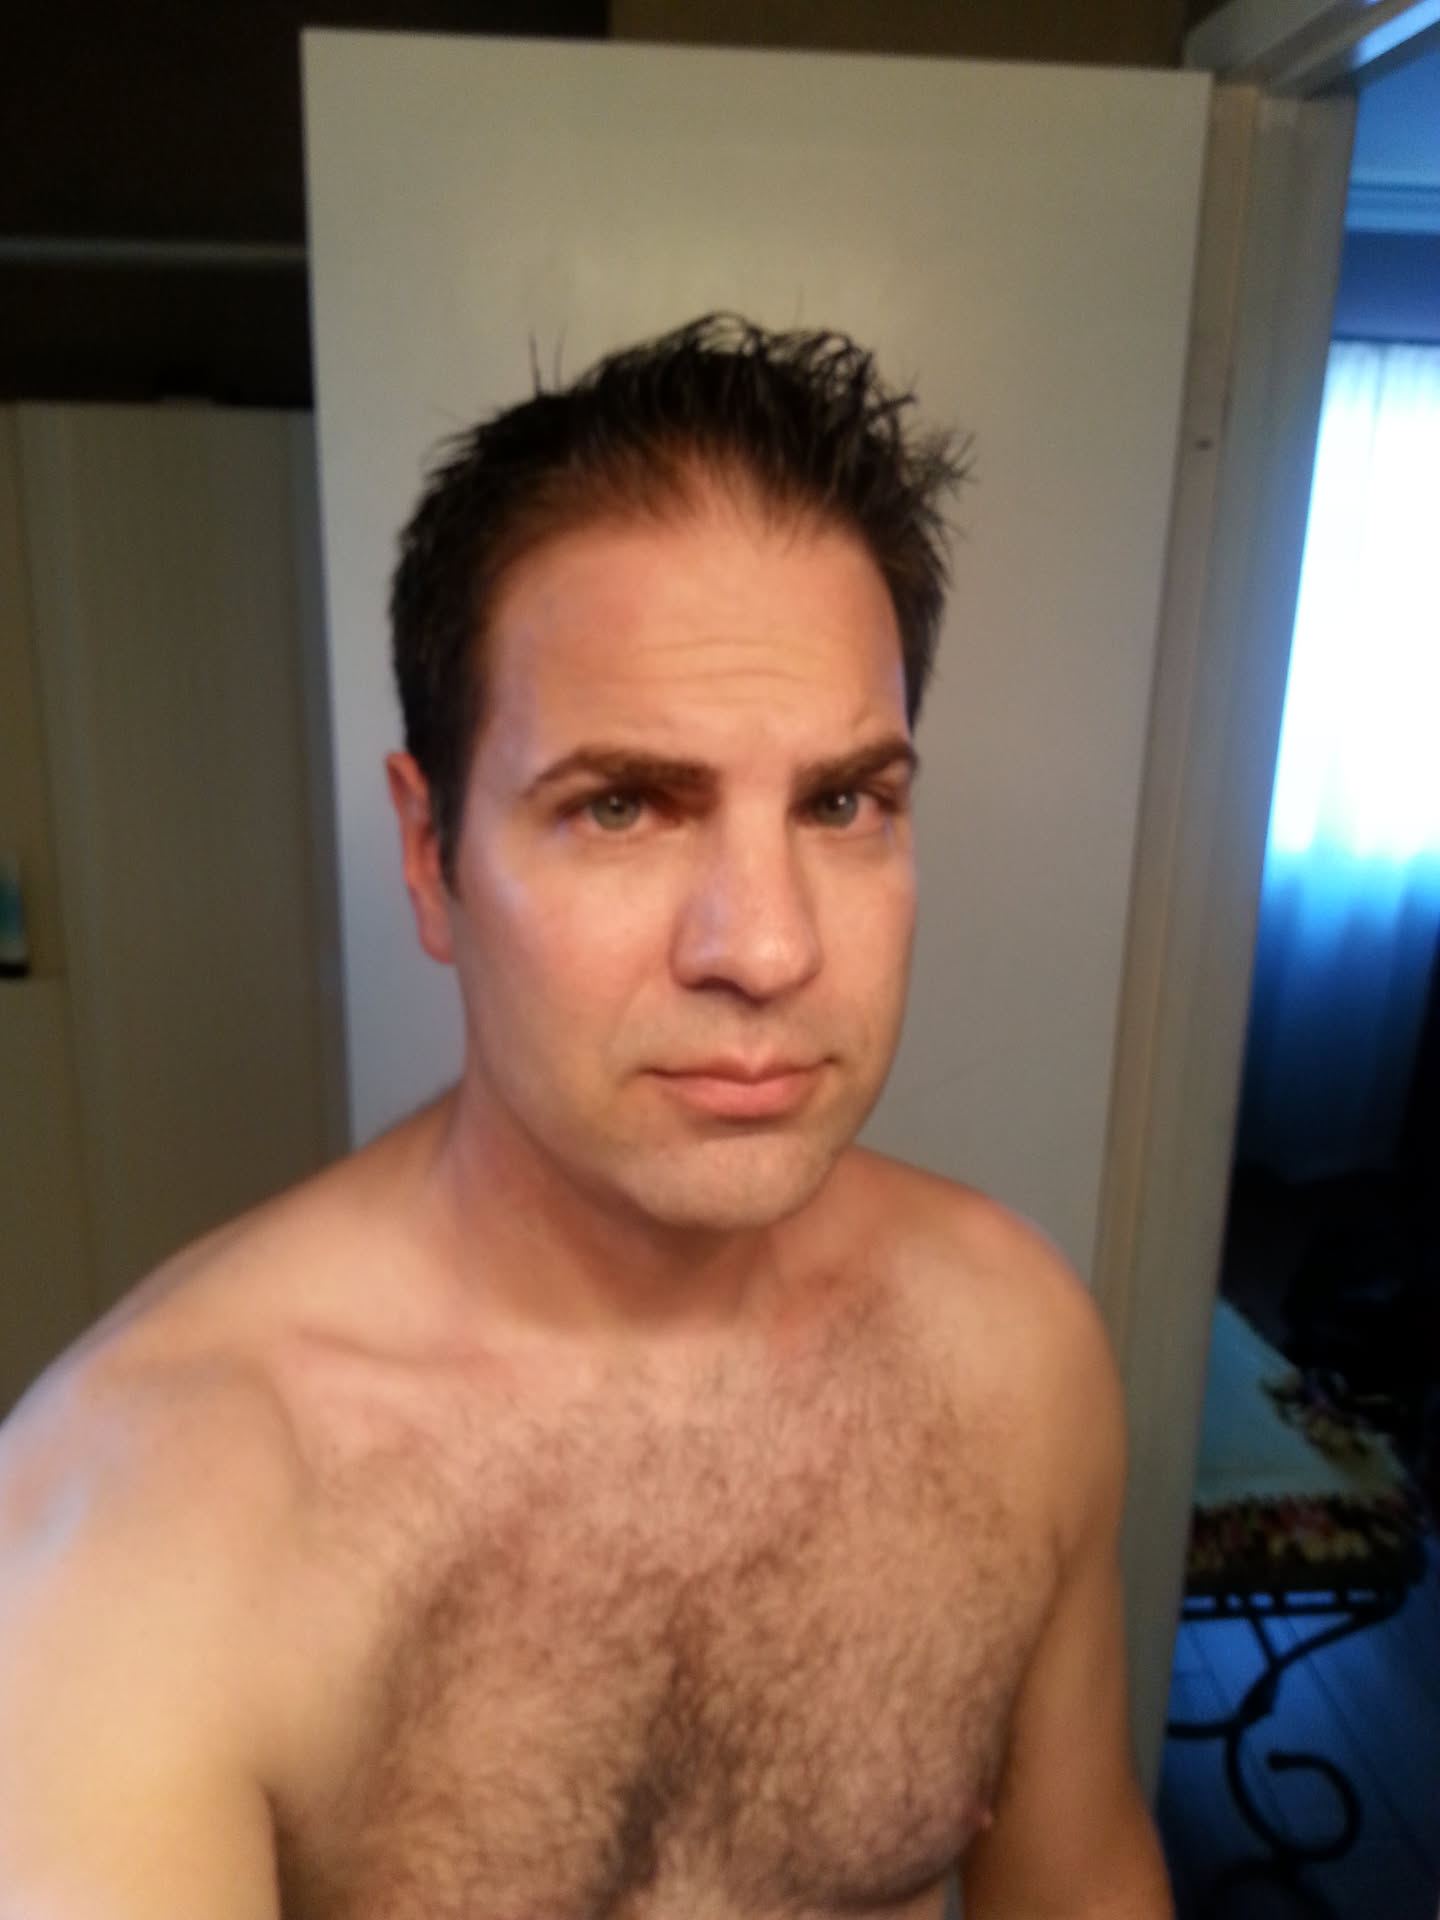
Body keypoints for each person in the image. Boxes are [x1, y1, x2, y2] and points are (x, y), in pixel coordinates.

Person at [0, 315, 1173, 1919]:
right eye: (622, 806)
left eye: (843, 802)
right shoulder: (132, 1536)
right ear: (431, 854)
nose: (766, 949)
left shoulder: (1013, 1355)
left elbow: (1086, 1885)